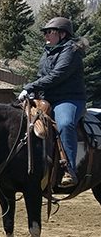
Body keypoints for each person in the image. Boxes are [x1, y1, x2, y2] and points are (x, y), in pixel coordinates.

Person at [19, 16, 87, 188]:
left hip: (69, 99)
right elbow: (44, 77)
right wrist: (33, 92)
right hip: (48, 99)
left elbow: (57, 76)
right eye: (45, 32)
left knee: (65, 124)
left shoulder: (71, 51)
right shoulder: (47, 52)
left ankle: (68, 170)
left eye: (50, 32)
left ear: (62, 34)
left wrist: (30, 86)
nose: (46, 35)